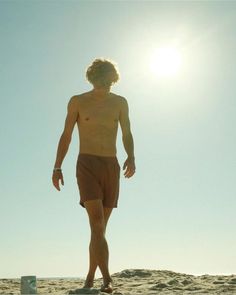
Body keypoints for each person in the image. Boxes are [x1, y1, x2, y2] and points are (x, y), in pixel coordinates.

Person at [52, 58, 135, 293]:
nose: (107, 84)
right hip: (87, 164)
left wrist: (131, 156)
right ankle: (107, 279)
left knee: (99, 229)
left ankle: (90, 277)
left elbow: (127, 132)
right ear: (94, 78)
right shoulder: (78, 101)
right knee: (97, 224)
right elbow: (66, 134)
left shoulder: (120, 102)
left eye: (110, 80)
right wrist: (57, 167)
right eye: (103, 79)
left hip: (111, 165)